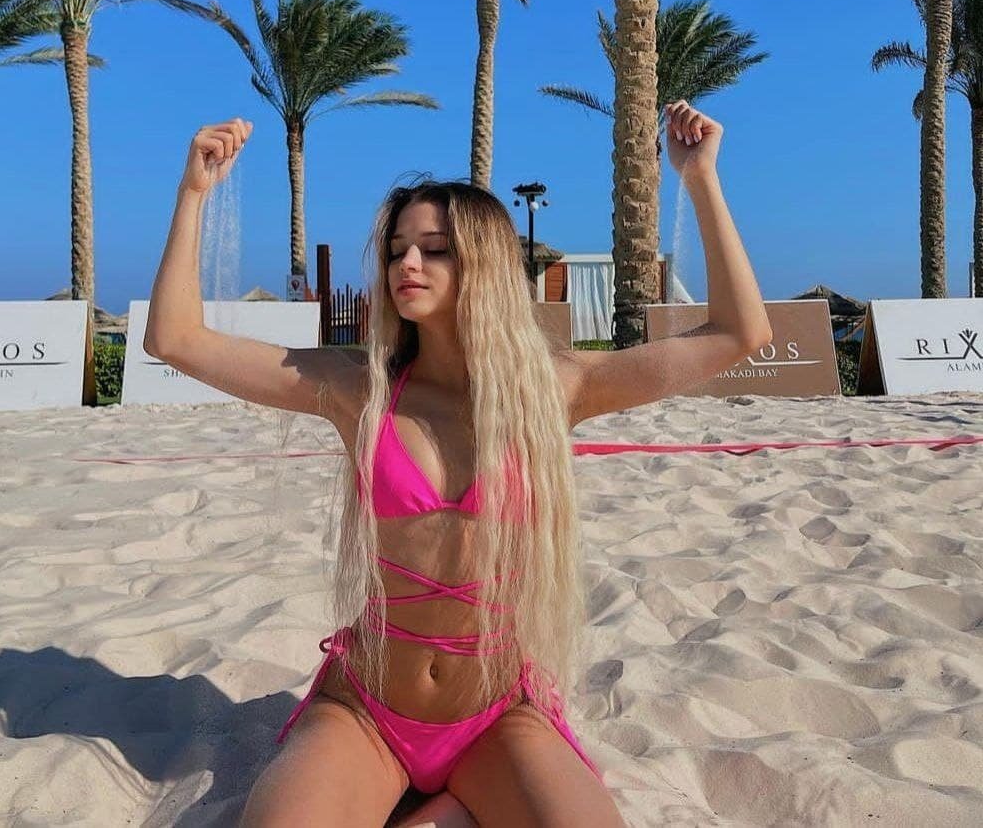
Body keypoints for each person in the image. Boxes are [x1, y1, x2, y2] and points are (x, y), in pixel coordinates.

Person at [143, 102, 773, 827]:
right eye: (396, 250)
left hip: (496, 715)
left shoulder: (552, 390)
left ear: (483, 261)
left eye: (434, 248)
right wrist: (193, 194)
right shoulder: (359, 389)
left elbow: (740, 331)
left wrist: (699, 179)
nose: (406, 264)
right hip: (367, 711)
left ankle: (451, 804)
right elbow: (175, 338)